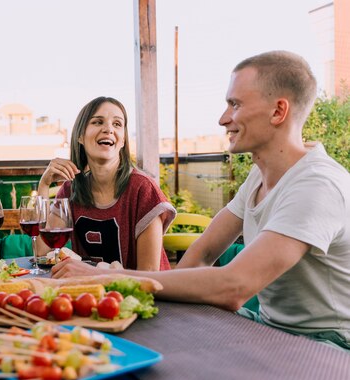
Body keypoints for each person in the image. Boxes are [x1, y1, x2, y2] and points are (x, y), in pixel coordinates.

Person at [53, 51, 350, 350]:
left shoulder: (317, 185)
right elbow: (201, 254)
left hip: (330, 345)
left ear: (278, 111)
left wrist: (107, 278)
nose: (223, 119)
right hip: (272, 326)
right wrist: (139, 301)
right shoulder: (260, 178)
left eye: (235, 104)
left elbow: (234, 286)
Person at [38, 96, 175, 271]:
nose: (108, 129)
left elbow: (149, 274)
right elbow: (42, 252)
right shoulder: (70, 189)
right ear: (80, 136)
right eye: (98, 122)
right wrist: (44, 184)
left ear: (123, 140)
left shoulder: (143, 189)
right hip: (94, 294)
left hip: (144, 296)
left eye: (117, 124)